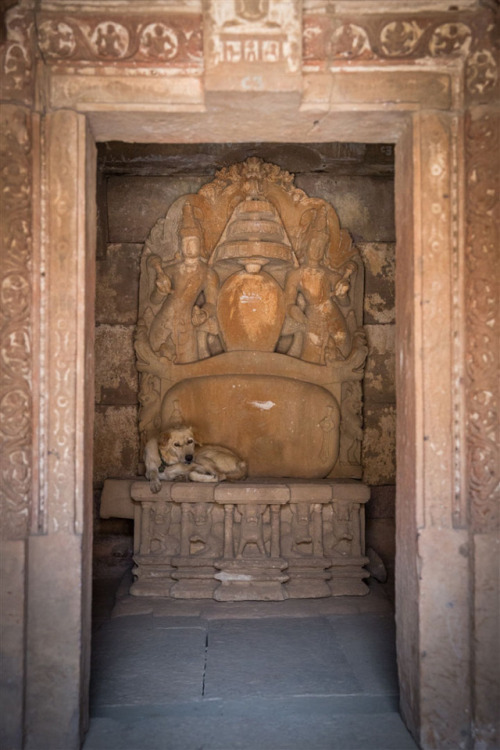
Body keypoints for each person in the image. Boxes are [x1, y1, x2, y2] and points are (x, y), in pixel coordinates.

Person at [148, 213, 219, 363]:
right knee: (156, 364)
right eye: (185, 242)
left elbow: (212, 303)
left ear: (200, 244)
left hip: (186, 326)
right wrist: (160, 291)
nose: (188, 246)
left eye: (192, 242)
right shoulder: (172, 270)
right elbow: (154, 301)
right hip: (163, 323)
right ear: (180, 244)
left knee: (187, 368)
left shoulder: (207, 274)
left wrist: (204, 314)